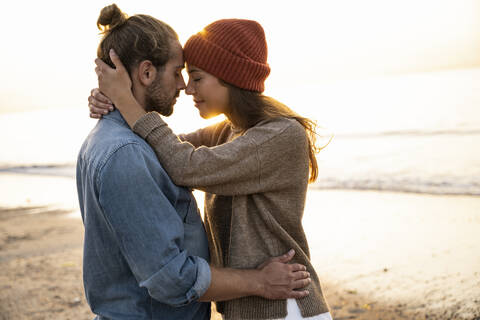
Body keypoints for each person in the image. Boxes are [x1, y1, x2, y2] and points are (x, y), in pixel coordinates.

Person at [79, 4, 312, 320]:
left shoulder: (274, 135)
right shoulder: (130, 152)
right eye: (179, 73)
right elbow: (169, 151)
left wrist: (124, 101)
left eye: (195, 77)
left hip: (286, 305)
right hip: (257, 304)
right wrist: (116, 100)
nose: (184, 87)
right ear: (146, 73)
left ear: (229, 77)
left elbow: (180, 159)